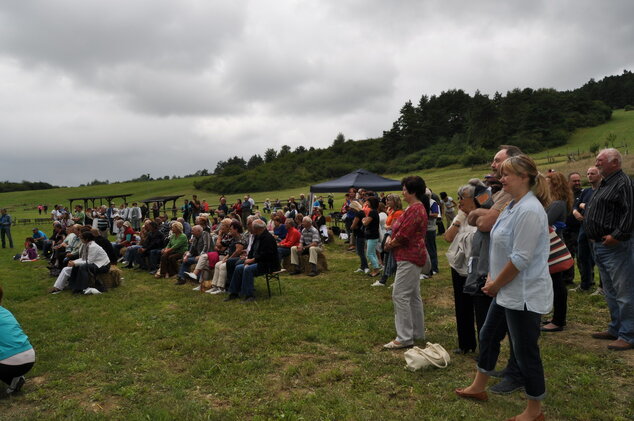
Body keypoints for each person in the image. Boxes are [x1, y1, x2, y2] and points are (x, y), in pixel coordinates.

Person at [455, 155, 552, 421]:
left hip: (523, 294)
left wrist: (496, 283)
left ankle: (535, 411)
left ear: (524, 178)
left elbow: (521, 258)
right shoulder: (512, 205)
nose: (502, 178)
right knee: (487, 335)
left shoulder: (530, 210)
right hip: (505, 290)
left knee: (525, 352)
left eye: (508, 174)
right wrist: (493, 279)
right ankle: (478, 387)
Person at [584, 148, 634, 351]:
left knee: (624, 291)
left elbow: (630, 211)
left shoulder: (623, 183)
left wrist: (618, 235)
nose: (596, 164)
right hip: (600, 245)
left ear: (614, 163)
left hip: (616, 246)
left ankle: (628, 334)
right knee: (611, 290)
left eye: (600, 161)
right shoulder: (606, 183)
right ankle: (616, 328)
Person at [382, 176, 429, 349]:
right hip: (410, 256)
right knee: (413, 296)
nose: (402, 192)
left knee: (399, 294)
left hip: (410, 256)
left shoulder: (416, 209)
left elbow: (404, 235)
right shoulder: (413, 208)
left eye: (404, 189)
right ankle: (417, 332)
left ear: (412, 191)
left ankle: (404, 337)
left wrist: (389, 244)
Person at [444, 183, 485, 354]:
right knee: (462, 305)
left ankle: (484, 348)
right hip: (458, 265)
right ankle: (465, 344)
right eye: (458, 197)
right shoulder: (460, 218)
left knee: (480, 308)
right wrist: (458, 219)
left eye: (463, 198)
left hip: (477, 266)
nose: (459, 201)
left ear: (474, 199)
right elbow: (447, 237)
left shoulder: (482, 217)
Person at [542, 171, 574, 333]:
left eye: (548, 182)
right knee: (555, 283)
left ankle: (558, 320)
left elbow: (543, 222)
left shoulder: (556, 204)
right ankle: (556, 317)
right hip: (553, 244)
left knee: (557, 284)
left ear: (555, 184)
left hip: (553, 247)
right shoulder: (557, 202)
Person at [224, 219, 281, 302]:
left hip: (269, 265)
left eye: (252, 228)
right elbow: (252, 251)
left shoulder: (268, 239)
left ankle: (249, 295)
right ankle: (234, 293)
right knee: (239, 268)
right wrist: (248, 259)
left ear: (257, 229)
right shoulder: (257, 236)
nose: (251, 229)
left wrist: (251, 261)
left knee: (248, 269)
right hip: (260, 262)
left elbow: (265, 256)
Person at [571, 166, 602, 293]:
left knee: (598, 257)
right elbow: (576, 204)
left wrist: (585, 205)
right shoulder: (586, 191)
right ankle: (585, 285)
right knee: (582, 256)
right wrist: (574, 211)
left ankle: (602, 287)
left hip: (596, 228)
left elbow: (597, 208)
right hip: (583, 228)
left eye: (593, 173)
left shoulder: (602, 190)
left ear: (599, 175)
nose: (589, 175)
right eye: (588, 173)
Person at [0, 285, 36, 396]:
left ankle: (12, 377)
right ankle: (14, 380)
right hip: (29, 358)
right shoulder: (5, 311)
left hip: (9, 363)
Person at [372, 194, 404, 287]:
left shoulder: (398, 213)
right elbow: (388, 225)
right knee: (388, 259)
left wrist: (387, 227)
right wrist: (387, 227)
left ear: (395, 201)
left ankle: (392, 280)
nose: (387, 201)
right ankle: (384, 279)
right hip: (388, 236)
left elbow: (393, 227)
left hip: (393, 238)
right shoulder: (391, 211)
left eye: (389, 200)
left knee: (393, 260)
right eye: (387, 200)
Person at [362, 196, 382, 277]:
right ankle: (377, 267)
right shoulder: (374, 211)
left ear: (372, 203)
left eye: (368, 202)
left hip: (372, 235)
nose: (366, 203)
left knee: (369, 253)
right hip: (373, 235)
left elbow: (365, 223)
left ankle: (376, 270)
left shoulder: (372, 212)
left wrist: (363, 220)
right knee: (373, 253)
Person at [349, 201, 368, 274]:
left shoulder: (358, 214)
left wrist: (353, 226)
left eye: (352, 208)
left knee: (361, 252)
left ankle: (365, 266)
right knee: (360, 251)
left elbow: (353, 226)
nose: (351, 210)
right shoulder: (362, 212)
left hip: (360, 235)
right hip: (362, 234)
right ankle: (362, 266)